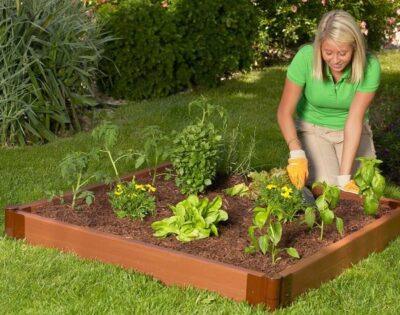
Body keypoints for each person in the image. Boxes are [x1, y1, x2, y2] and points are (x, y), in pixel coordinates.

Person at [277, 10, 381, 193]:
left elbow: (354, 119)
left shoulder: (370, 66)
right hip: (314, 128)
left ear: (355, 48)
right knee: (328, 188)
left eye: (342, 53)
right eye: (328, 52)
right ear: (319, 47)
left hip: (351, 128)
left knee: (363, 187)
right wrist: (296, 153)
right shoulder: (305, 58)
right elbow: (284, 112)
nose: (335, 60)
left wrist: (344, 177)